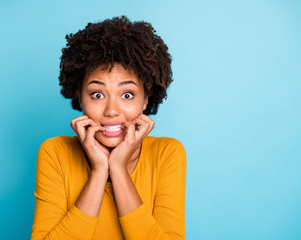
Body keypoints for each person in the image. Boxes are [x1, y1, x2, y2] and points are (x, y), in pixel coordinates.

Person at [31, 16, 186, 240]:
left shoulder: (167, 154)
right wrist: (99, 171)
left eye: (127, 95)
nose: (112, 110)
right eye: (97, 94)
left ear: (145, 100)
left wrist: (118, 169)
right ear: (80, 98)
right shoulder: (55, 152)